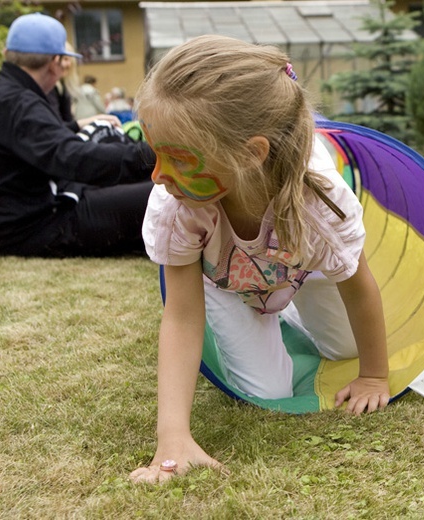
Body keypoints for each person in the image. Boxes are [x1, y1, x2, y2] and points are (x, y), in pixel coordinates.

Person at [129, 35, 390, 484]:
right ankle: (269, 311)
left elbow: (358, 286)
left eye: (177, 158)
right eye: (155, 153)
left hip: (302, 269)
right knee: (267, 391)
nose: (157, 175)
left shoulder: (321, 205)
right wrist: (172, 436)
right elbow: (182, 316)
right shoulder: (178, 206)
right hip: (226, 284)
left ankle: (287, 306)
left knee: (347, 347)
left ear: (251, 154)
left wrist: (373, 376)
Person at [0, 13, 156, 257]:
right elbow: (76, 160)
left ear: (8, 53)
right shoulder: (19, 102)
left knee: (132, 180)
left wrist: (74, 126)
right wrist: (155, 154)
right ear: (56, 63)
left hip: (5, 224)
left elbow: (26, 141)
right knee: (160, 194)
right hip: (36, 228)